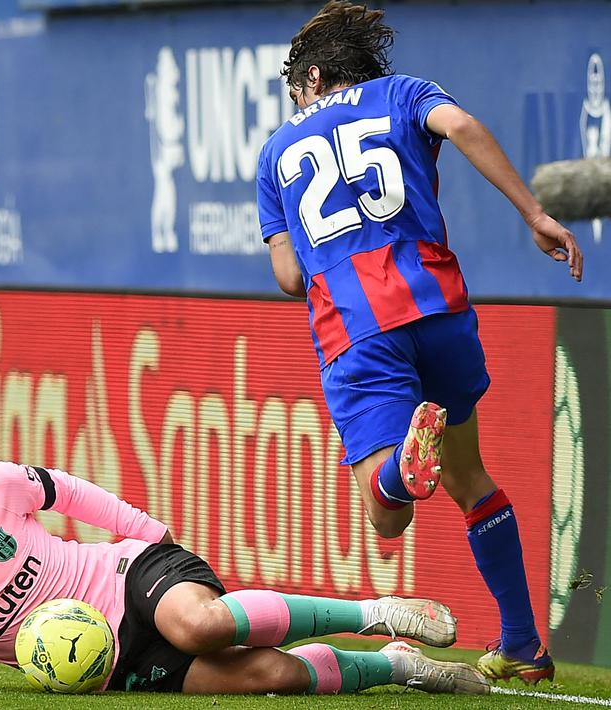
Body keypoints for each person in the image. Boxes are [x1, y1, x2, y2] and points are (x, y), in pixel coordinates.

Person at [255, 1, 582, 685]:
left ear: (312, 76)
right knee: (469, 476)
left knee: (386, 517)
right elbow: (460, 126)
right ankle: (522, 643)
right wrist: (534, 214)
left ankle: (403, 471)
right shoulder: (404, 92)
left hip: (356, 326)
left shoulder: (276, 150)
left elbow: (288, 275)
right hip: (438, 309)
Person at [0, 427, 486, 697]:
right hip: (111, 664)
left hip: (131, 577)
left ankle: (377, 611)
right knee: (272, 675)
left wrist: (147, 532)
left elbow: (67, 491)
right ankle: (395, 665)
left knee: (199, 626)